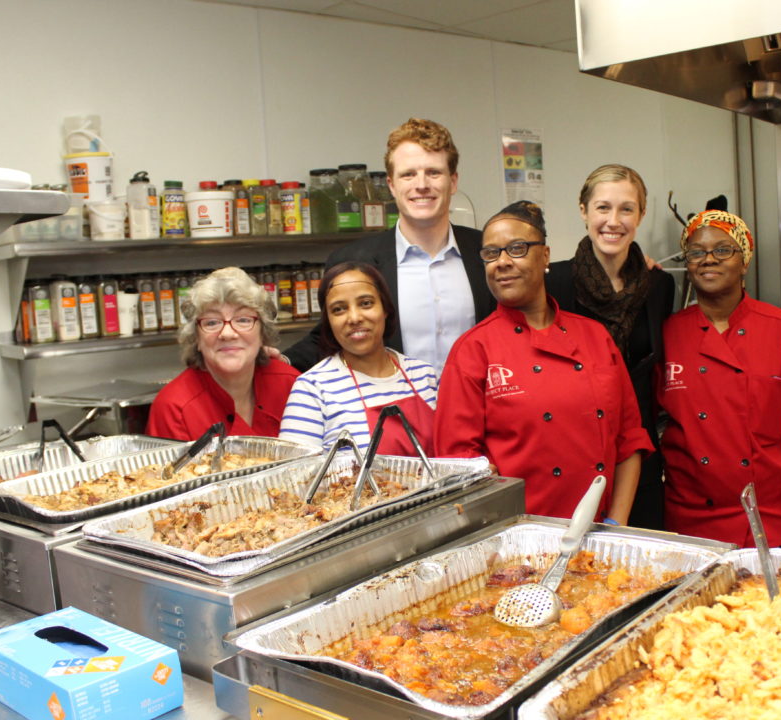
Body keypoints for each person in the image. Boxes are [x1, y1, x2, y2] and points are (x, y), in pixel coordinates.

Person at [435, 201, 653, 522]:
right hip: (517, 539)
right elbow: (456, 463)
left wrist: (615, 525)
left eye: (517, 248)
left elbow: (629, 439)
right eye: (491, 253)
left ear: (546, 256)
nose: (502, 262)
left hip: (599, 531)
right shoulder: (472, 350)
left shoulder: (595, 337)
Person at [657, 210, 781, 549]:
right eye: (697, 252)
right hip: (690, 525)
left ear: (744, 262)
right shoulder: (668, 334)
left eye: (723, 250)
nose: (708, 259)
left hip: (769, 519)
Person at [283, 118, 494, 374]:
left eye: (434, 172)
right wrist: (276, 362)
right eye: (408, 174)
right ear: (392, 185)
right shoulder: (352, 261)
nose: (422, 185)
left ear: (454, 181)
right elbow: (327, 339)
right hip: (394, 411)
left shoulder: (488, 252)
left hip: (478, 410)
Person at [546, 164, 675, 530]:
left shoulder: (659, 287)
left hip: (640, 454)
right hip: (575, 453)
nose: (613, 221)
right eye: (603, 207)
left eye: (626, 209)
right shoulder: (552, 283)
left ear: (642, 214)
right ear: (583, 210)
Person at [280, 262, 439, 454]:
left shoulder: (424, 375)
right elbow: (296, 475)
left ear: (385, 309)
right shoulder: (312, 389)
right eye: (339, 309)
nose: (354, 318)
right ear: (328, 321)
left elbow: (453, 457)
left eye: (366, 303)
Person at [147, 266, 300, 440]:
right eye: (212, 322)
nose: (227, 334)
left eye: (243, 320)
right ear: (196, 338)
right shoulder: (174, 407)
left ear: (262, 333)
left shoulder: (291, 384)